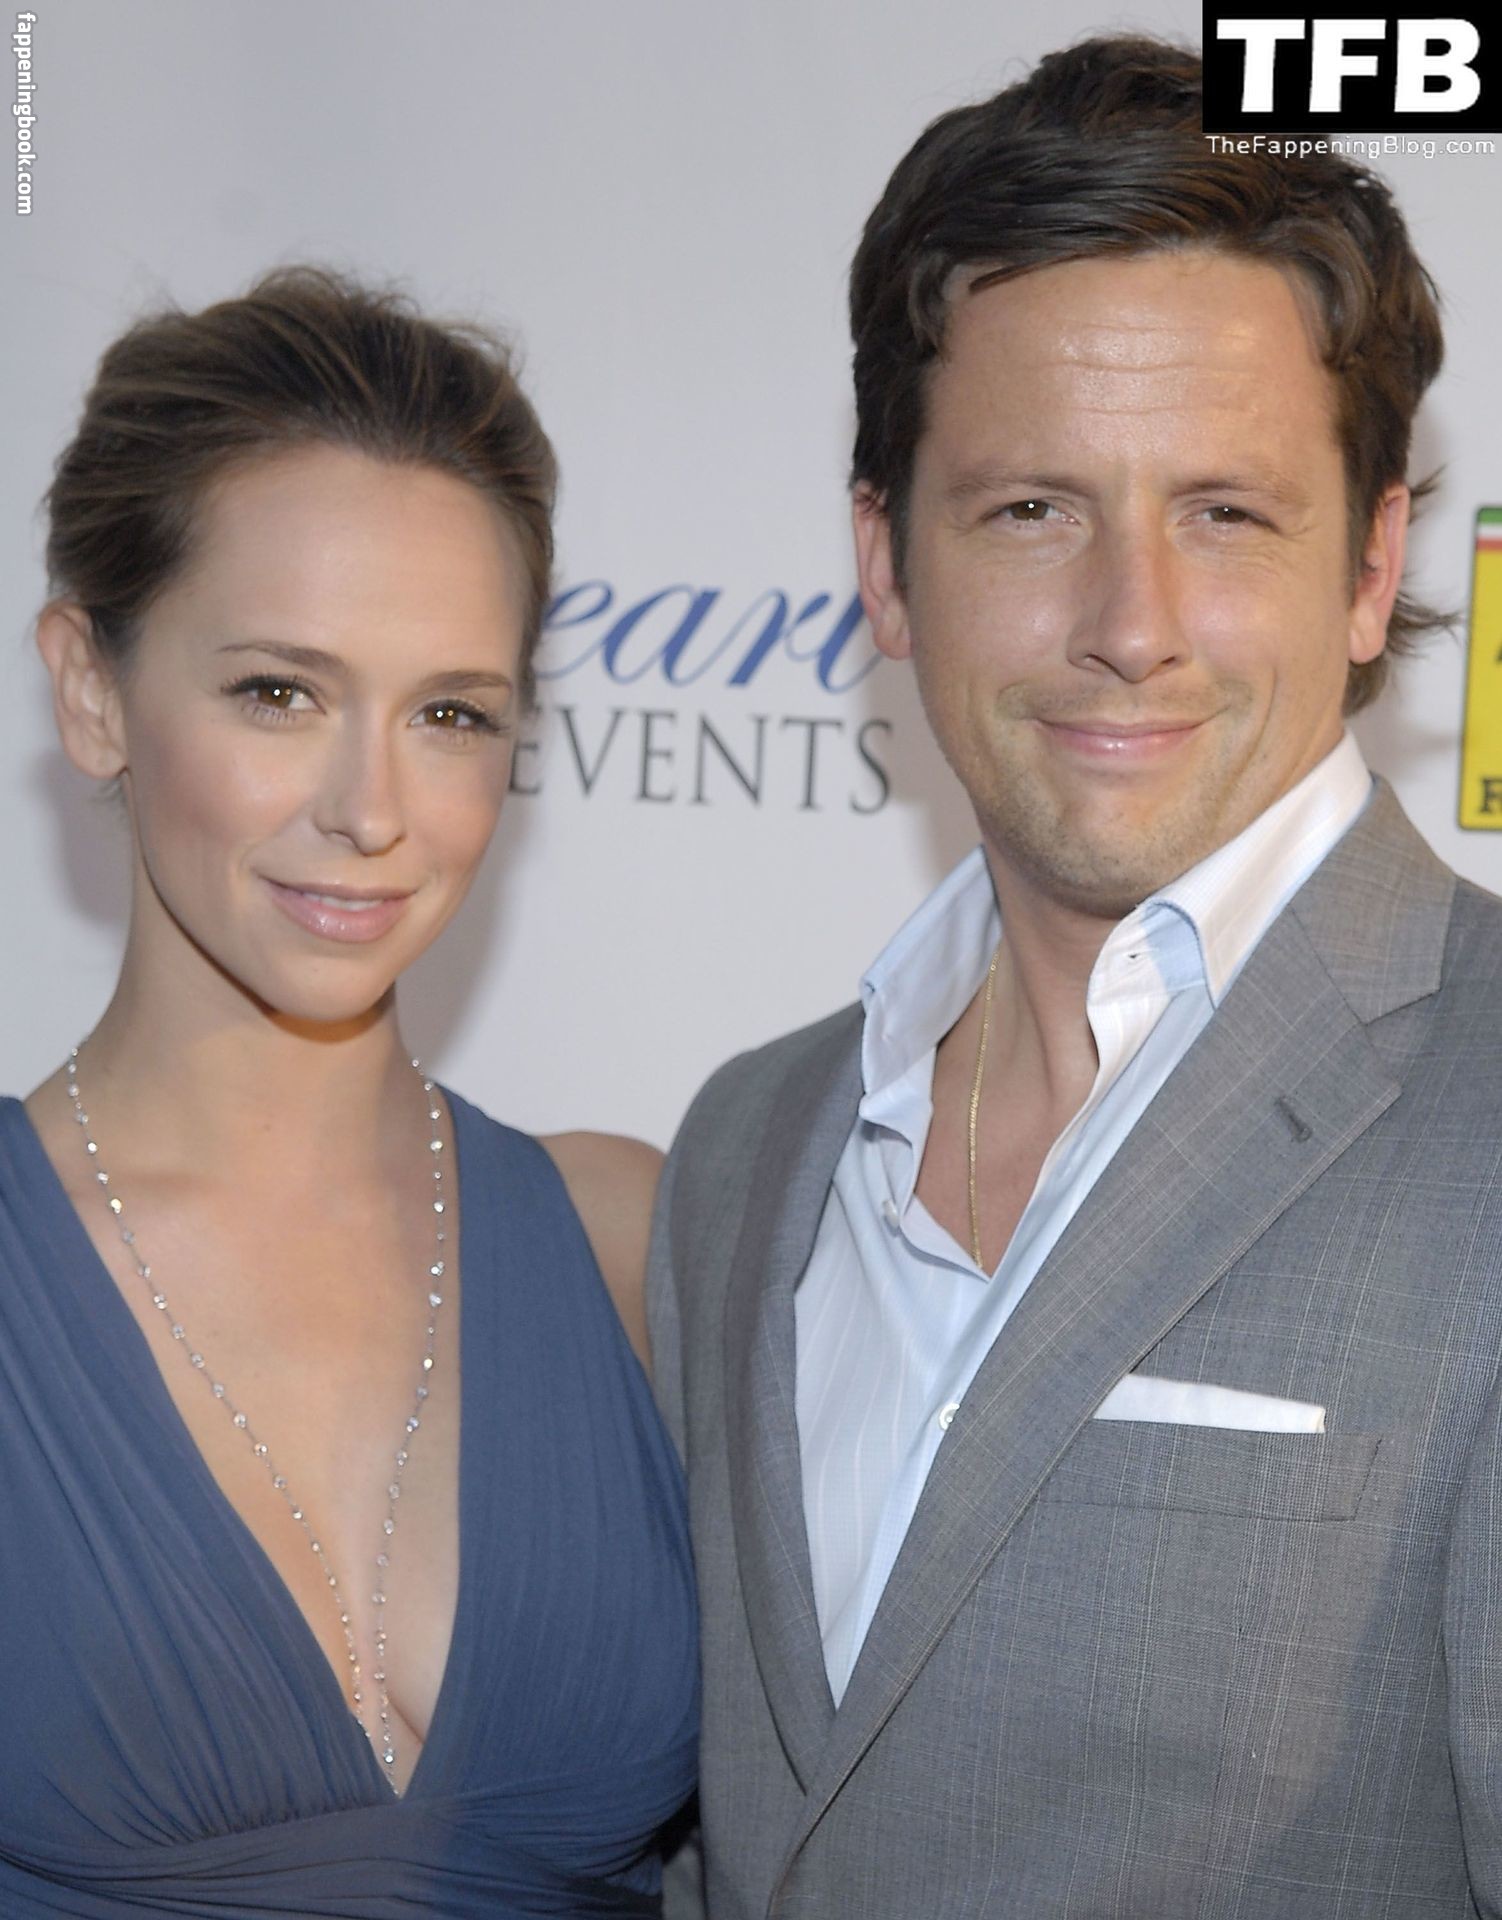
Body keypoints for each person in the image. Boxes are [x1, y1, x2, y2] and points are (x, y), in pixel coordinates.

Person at [649, 33, 1502, 1918]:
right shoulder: (747, 1150)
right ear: (885, 563)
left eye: (1225, 514)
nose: (1129, 625)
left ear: (1371, 566)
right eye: (1031, 508)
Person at [3, 266, 697, 1917]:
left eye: (449, 713)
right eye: (279, 693)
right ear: (92, 690)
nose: (370, 808)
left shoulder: (628, 1239)